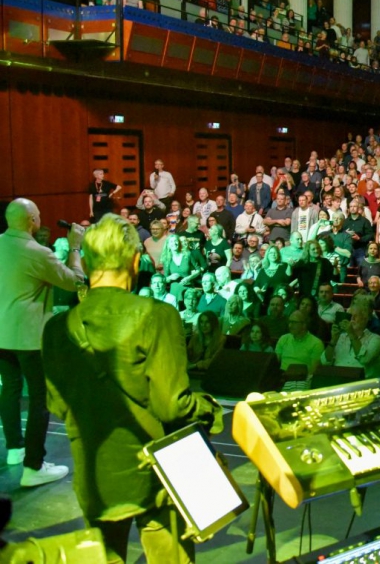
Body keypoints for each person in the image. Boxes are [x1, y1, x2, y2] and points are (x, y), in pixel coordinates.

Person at [41, 213, 222, 564]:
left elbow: (57, 405)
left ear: (86, 263)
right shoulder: (157, 315)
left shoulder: (56, 328)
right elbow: (172, 406)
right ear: (136, 261)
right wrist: (210, 408)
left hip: (95, 478)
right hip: (156, 476)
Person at [0, 199, 85, 486]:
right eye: (37, 216)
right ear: (31, 221)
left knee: (10, 389)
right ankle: (33, 467)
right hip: (28, 337)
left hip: (2, 334)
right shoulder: (37, 252)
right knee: (39, 397)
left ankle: (15, 449)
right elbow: (75, 281)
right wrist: (75, 247)